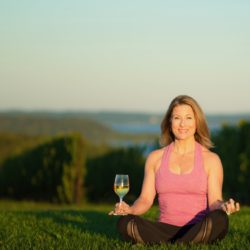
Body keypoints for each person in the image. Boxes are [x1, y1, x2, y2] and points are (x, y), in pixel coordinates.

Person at [109, 95, 240, 245]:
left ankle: (172, 242)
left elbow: (214, 202)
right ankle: (185, 242)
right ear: (170, 122)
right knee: (125, 222)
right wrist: (130, 210)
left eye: (189, 118)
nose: (183, 124)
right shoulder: (155, 158)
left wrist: (223, 207)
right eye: (177, 118)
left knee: (220, 219)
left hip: (197, 227)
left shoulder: (211, 159)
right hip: (163, 228)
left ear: (197, 122)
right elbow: (145, 199)